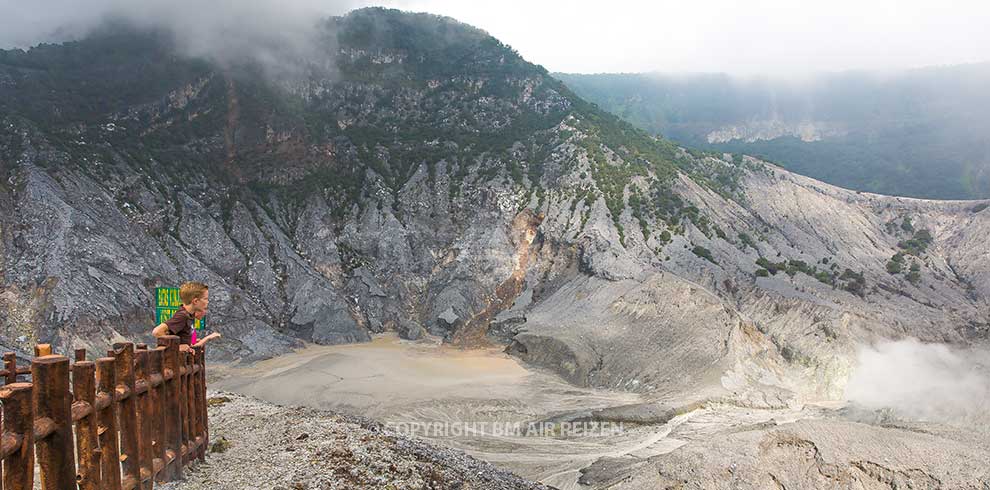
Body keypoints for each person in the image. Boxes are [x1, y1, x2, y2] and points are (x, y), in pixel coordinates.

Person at [152, 281, 221, 348]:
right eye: (205, 299)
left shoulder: (189, 315)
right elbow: (157, 332)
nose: (207, 302)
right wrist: (177, 347)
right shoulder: (182, 316)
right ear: (195, 301)